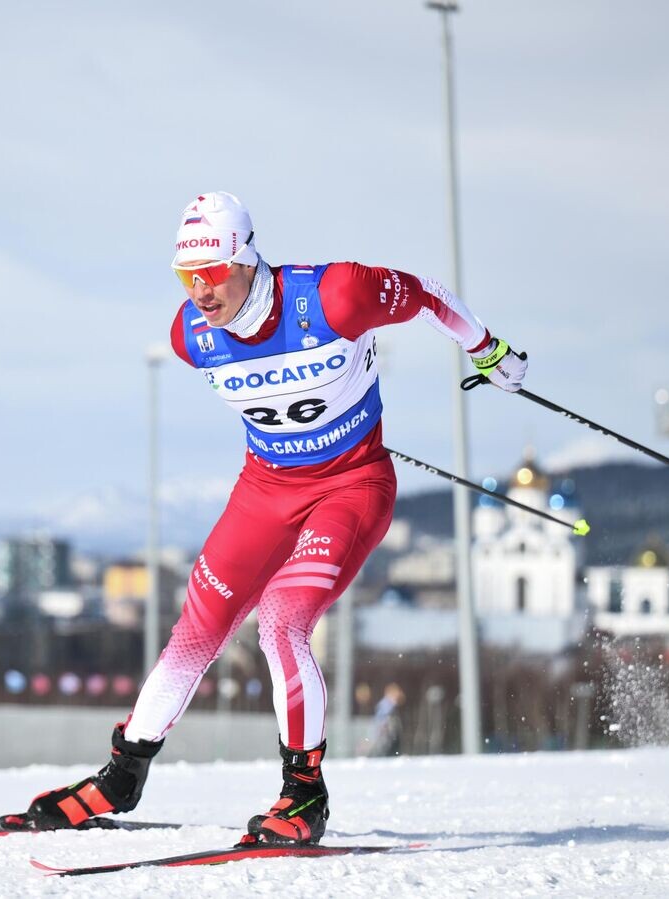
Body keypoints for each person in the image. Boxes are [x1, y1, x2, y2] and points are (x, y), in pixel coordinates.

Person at [28, 191, 527, 845]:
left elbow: (427, 294)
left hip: (351, 488)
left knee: (282, 621)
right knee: (198, 625)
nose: (200, 292)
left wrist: (487, 349)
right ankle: (122, 776)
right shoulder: (190, 336)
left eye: (211, 272)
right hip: (265, 491)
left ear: (245, 258)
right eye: (186, 276)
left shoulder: (337, 295)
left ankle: (304, 793)